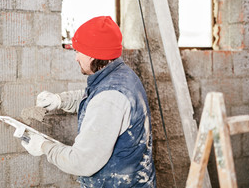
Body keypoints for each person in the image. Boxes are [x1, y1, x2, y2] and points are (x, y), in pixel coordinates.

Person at [21, 16, 157, 187]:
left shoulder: (109, 99)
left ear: (94, 54)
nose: (76, 58)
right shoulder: (121, 76)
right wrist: (60, 100)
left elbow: (82, 163)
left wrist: (43, 146)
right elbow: (94, 97)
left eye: (78, 51)